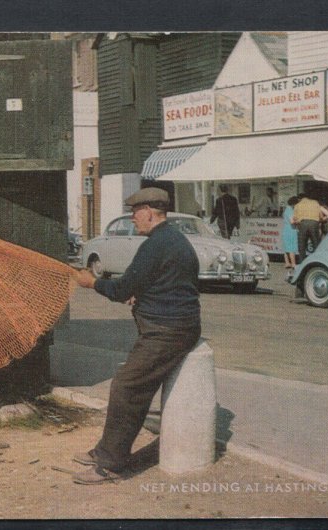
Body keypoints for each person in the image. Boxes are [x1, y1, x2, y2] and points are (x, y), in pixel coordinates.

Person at [72, 187, 201, 485]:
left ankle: (110, 464)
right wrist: (143, 295)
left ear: (150, 212)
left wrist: (92, 283)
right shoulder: (173, 240)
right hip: (174, 326)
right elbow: (171, 283)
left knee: (127, 387)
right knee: (131, 385)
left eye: (135, 212)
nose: (132, 219)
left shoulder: (155, 245)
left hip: (167, 332)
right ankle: (107, 450)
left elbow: (120, 290)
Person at [292, 192, 322, 262]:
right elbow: (321, 216)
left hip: (303, 224)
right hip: (314, 224)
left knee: (302, 245)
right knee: (316, 244)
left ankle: (302, 262)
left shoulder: (297, 205)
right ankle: (317, 261)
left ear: (299, 199)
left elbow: (295, 219)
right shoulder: (315, 203)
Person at [281, 196, 299, 277]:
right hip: (291, 230)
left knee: (286, 247)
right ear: (294, 204)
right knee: (291, 248)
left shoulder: (286, 209)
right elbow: (292, 221)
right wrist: (298, 221)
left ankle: (287, 263)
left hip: (286, 230)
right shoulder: (290, 210)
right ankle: (293, 264)